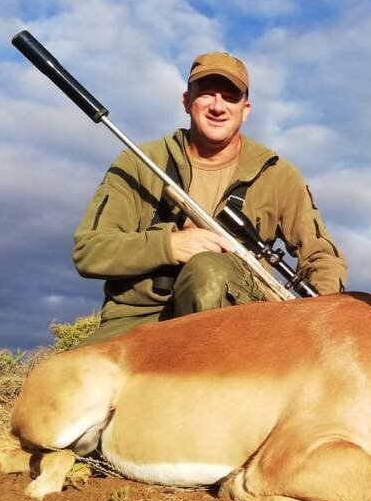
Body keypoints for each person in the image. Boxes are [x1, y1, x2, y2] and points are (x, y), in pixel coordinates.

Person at [73, 51, 347, 344]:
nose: (218, 106)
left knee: (209, 271)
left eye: (230, 97)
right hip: (139, 318)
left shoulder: (278, 175)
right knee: (63, 380)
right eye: (206, 94)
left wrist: (321, 318)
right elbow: (89, 251)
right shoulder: (138, 163)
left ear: (246, 109)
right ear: (187, 101)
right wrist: (170, 244)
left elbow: (322, 256)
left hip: (242, 317)